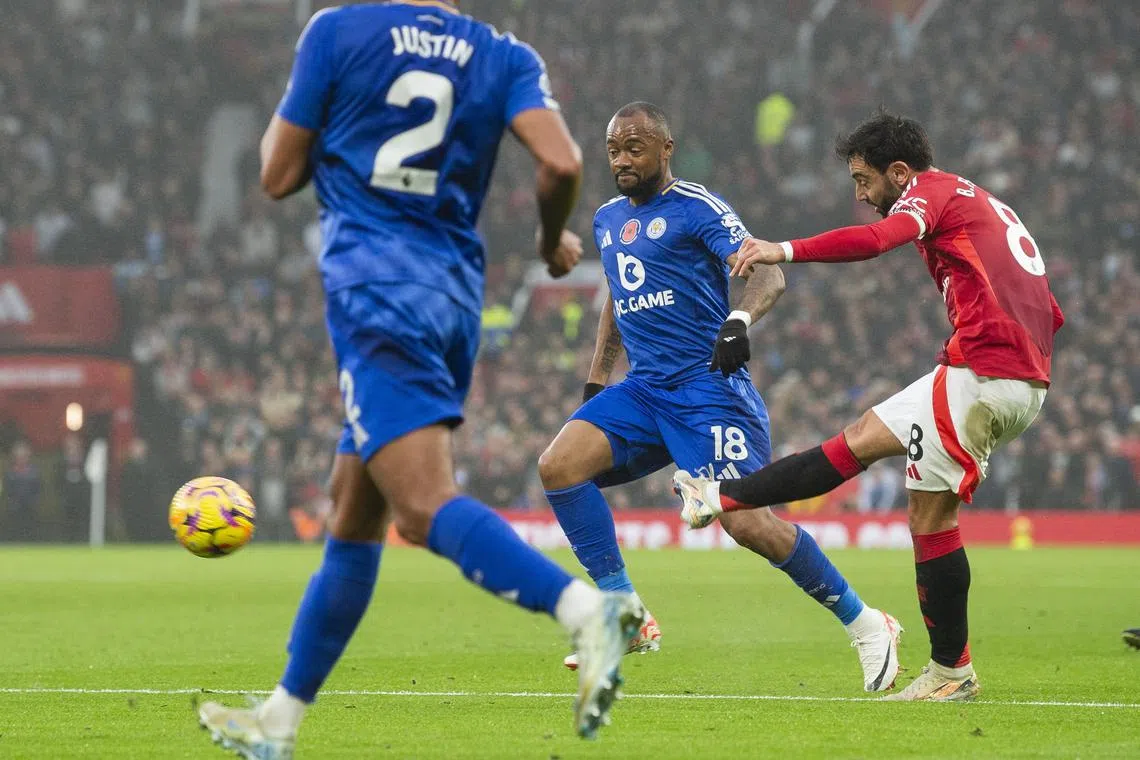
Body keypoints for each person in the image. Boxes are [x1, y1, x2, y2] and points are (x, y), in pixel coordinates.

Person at [197, 3, 645, 755]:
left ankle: (587, 609)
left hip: (376, 291)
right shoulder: (503, 55)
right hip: (453, 301)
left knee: (419, 505)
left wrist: (332, 128)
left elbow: (276, 175)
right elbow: (563, 162)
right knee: (352, 511)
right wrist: (547, 242)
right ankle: (277, 723)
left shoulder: (338, 31)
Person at [674, 110, 1065, 702]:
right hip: (1002, 371)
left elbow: (877, 241)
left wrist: (779, 250)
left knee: (930, 521)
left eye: (864, 180)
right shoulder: (971, 196)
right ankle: (718, 497)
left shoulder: (928, 195)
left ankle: (951, 675)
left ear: (900, 172)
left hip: (985, 370)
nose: (861, 194)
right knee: (860, 439)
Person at [540, 102, 901, 692]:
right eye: (614, 150)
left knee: (749, 524)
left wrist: (737, 321)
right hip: (644, 390)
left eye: (636, 147)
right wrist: (596, 378)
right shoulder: (608, 219)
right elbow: (616, 292)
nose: (623, 159)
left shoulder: (697, 208)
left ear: (666, 148)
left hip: (709, 390)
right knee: (558, 466)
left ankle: (866, 624)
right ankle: (622, 611)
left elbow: (768, 272)